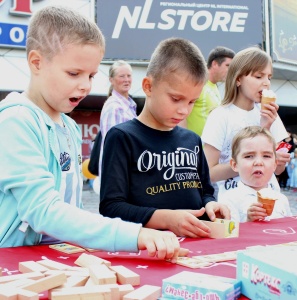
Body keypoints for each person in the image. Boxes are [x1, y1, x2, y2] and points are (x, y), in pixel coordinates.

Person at [0, 6, 185, 262]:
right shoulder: (16, 121)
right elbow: (44, 211)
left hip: (58, 258)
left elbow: (71, 211)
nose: (86, 85)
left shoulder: (70, 127)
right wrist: (133, 234)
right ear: (36, 63)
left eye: (91, 75)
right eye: (74, 73)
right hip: (14, 264)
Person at [100, 37, 230, 238]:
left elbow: (205, 191)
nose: (184, 110)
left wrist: (211, 205)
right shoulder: (122, 137)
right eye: (176, 99)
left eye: (192, 102)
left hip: (195, 249)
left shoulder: (192, 140)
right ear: (148, 86)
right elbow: (111, 207)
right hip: (147, 250)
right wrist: (167, 219)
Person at [201, 46, 290, 200]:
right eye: (258, 76)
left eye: (269, 77)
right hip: (235, 204)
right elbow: (209, 173)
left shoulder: (270, 114)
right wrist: (249, 163)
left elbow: (278, 171)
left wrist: (278, 161)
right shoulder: (220, 116)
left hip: (270, 198)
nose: (266, 83)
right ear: (238, 79)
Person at [219, 126, 291, 222]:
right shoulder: (228, 200)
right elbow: (228, 234)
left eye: (266, 156)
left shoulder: (282, 199)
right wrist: (248, 221)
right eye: (249, 156)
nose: (258, 162)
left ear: (275, 164)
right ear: (235, 164)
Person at [95, 60, 137, 192]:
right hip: (118, 174)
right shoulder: (114, 107)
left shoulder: (129, 105)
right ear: (111, 80)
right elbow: (113, 147)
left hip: (127, 172)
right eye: (121, 76)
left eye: (129, 76)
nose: (126, 80)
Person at [186, 46, 235, 136]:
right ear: (215, 64)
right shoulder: (198, 83)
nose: (230, 70)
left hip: (208, 148)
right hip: (193, 147)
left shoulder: (214, 86)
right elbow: (181, 115)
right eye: (228, 65)